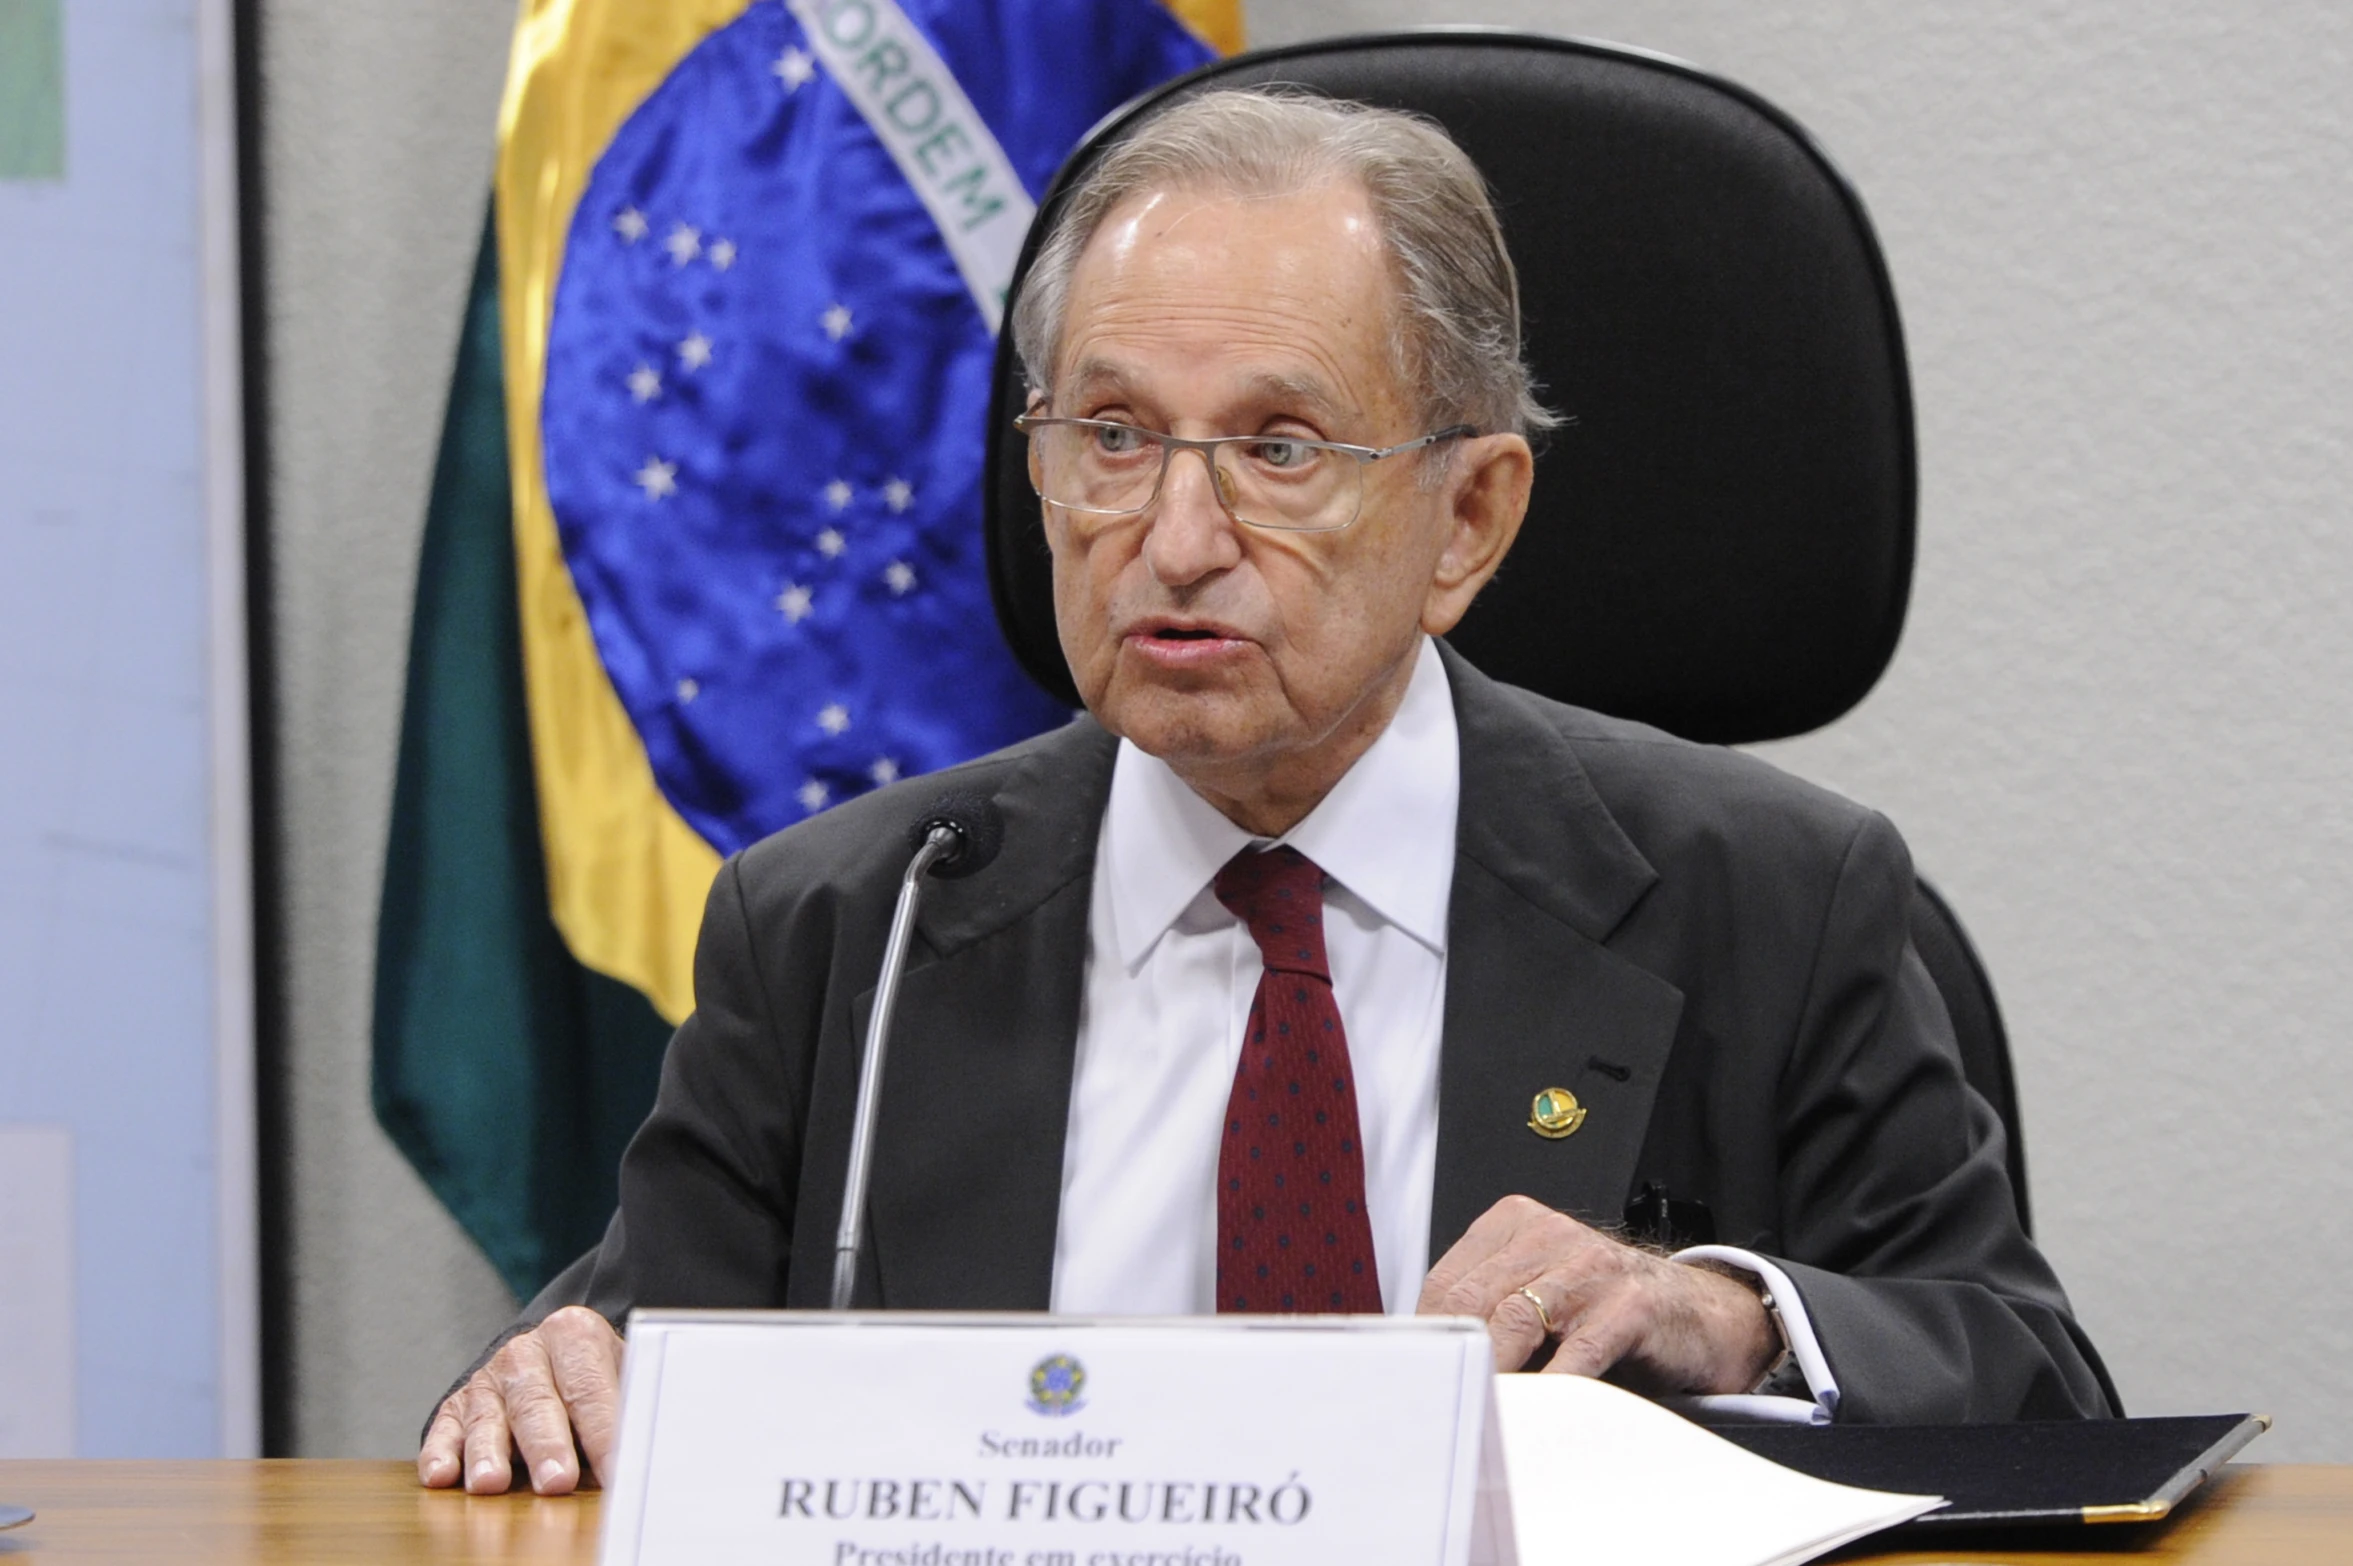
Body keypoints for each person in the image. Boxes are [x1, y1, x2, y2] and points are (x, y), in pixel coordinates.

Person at [419, 88, 2112, 1496]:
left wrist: (1733, 1316)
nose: (1173, 536)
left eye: (1280, 447)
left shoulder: (1770, 898)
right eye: (1113, 432)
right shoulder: (848, 924)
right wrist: (543, 1385)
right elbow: (608, 1379)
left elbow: (2039, 1385)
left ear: (1469, 519)